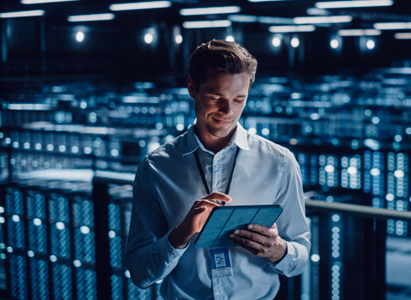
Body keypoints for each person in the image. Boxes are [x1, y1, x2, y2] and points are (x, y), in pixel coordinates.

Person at [125, 39, 310, 299]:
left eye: (239, 99)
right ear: (192, 87)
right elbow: (139, 272)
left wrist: (278, 250)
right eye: (216, 97)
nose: (228, 111)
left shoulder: (279, 162)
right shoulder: (156, 168)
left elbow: (301, 258)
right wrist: (178, 237)